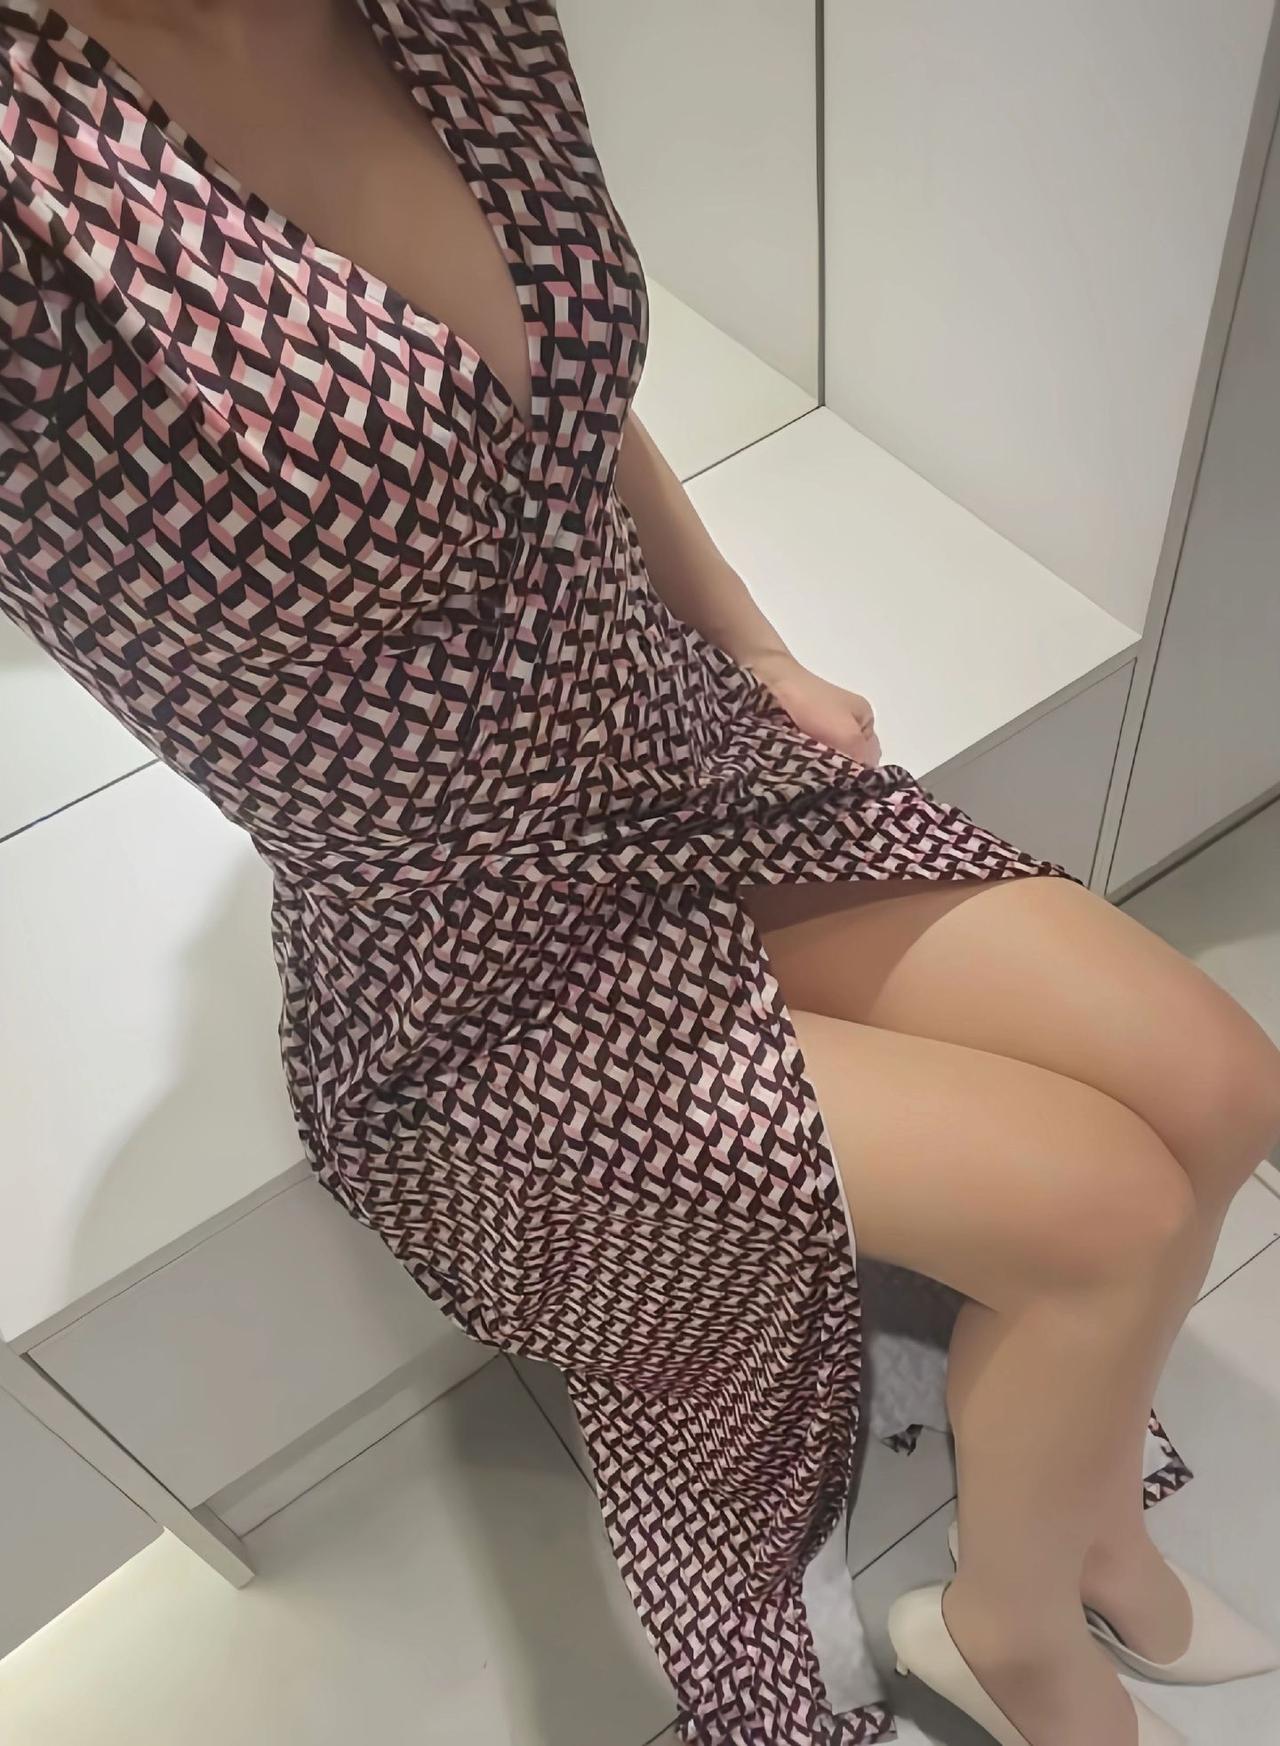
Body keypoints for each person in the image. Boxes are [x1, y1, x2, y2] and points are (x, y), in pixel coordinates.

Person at [2, 4, 1277, 1743]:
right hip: (464, 941)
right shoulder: (40, 198)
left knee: (1222, 1083)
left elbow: (563, 389)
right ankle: (1008, 1624)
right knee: (1104, 1214)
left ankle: (1086, 1522)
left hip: (668, 746)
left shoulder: (443, 15)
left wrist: (747, 643)